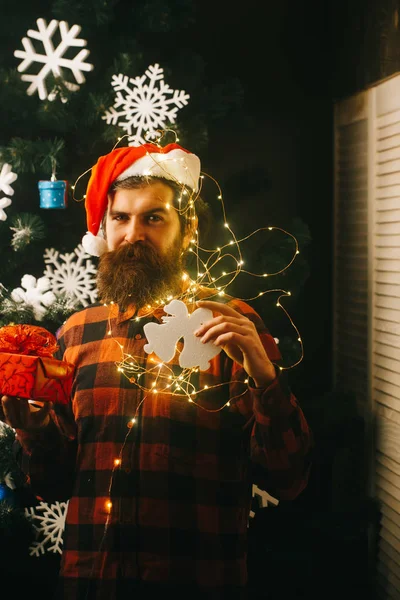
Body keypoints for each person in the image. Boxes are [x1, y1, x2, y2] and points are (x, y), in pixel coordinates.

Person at [1, 138, 313, 600]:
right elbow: (52, 485)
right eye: (121, 218)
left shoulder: (232, 327)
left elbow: (289, 479)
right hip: (91, 584)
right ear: (104, 230)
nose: (134, 234)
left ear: (185, 231)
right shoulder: (76, 336)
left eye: (153, 217)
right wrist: (35, 431)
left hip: (199, 581)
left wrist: (266, 379)